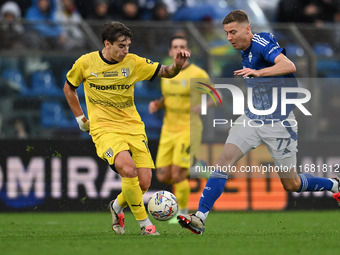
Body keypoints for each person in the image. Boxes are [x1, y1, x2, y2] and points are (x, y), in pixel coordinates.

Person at [177, 9, 340, 235]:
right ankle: (200, 217)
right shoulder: (244, 50)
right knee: (223, 161)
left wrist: (258, 73)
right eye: (226, 33)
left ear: (248, 29)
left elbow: (289, 65)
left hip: (280, 123)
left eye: (233, 32)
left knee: (291, 184)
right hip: (252, 118)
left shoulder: (262, 42)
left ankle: (334, 185)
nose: (229, 38)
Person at [63, 21, 190, 235]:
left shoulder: (133, 62)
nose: (126, 50)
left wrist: (177, 66)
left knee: (143, 183)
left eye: (128, 45)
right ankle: (145, 225)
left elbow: (166, 72)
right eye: (121, 46)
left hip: (133, 127)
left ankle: (116, 206)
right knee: (127, 168)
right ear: (107, 43)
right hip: (104, 128)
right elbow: (69, 87)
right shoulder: (86, 63)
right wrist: (80, 119)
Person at [148, 36, 216, 223]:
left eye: (182, 46)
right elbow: (167, 98)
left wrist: (202, 107)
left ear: (188, 52)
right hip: (168, 129)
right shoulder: (166, 73)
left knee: (178, 174)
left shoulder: (198, 74)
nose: (178, 49)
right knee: (163, 175)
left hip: (188, 128)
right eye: (175, 46)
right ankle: (196, 167)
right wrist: (158, 104)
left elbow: (216, 97)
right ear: (170, 52)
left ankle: (182, 212)